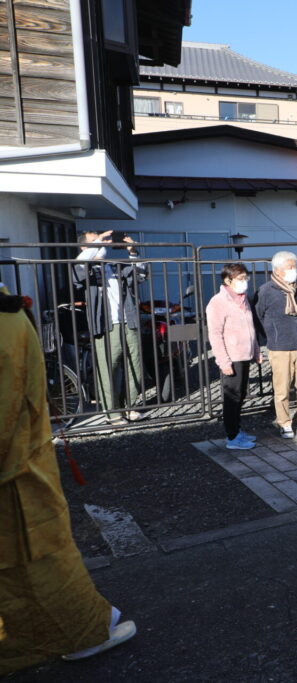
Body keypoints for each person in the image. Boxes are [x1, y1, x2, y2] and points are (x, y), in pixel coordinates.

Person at [0, 288, 136, 674]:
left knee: (39, 563)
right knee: (39, 561)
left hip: (16, 473)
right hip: (23, 469)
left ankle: (81, 631)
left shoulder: (6, 322)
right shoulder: (10, 317)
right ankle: (79, 630)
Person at [73, 230, 147, 424]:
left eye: (103, 242)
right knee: (108, 369)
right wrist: (97, 243)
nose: (101, 245)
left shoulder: (114, 267)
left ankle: (130, 407)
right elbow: (79, 264)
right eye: (94, 242)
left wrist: (132, 253)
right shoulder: (85, 269)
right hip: (106, 325)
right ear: (84, 247)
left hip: (128, 321)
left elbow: (140, 275)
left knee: (136, 366)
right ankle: (112, 412)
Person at [254, 251, 297, 439]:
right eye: (289, 267)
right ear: (277, 270)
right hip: (280, 347)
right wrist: (270, 336)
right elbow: (258, 316)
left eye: (295, 267)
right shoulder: (266, 291)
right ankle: (284, 423)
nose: (294, 271)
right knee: (282, 389)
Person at [206, 263, 262, 450]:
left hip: (244, 355)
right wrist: (223, 361)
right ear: (227, 280)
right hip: (232, 356)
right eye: (240, 278)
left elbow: (250, 327)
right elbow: (215, 334)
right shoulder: (217, 302)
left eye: (245, 278)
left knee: (241, 394)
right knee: (232, 397)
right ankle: (232, 437)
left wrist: (255, 350)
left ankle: (237, 430)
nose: (244, 282)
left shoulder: (243, 299)